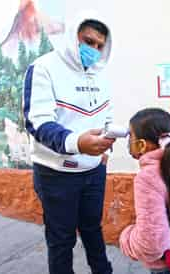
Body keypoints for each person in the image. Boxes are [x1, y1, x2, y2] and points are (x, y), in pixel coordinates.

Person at [22, 11, 114, 274]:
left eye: (99, 45)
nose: (93, 50)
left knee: (93, 230)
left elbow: (106, 114)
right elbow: (37, 122)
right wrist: (76, 143)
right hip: (56, 174)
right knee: (62, 240)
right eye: (88, 41)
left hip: (94, 171)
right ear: (73, 37)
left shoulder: (100, 75)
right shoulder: (44, 68)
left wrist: (106, 146)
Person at [119, 108, 170, 274]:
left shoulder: (148, 178)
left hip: (168, 263)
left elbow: (152, 243)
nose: (128, 142)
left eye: (131, 137)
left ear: (141, 144)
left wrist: (126, 239)